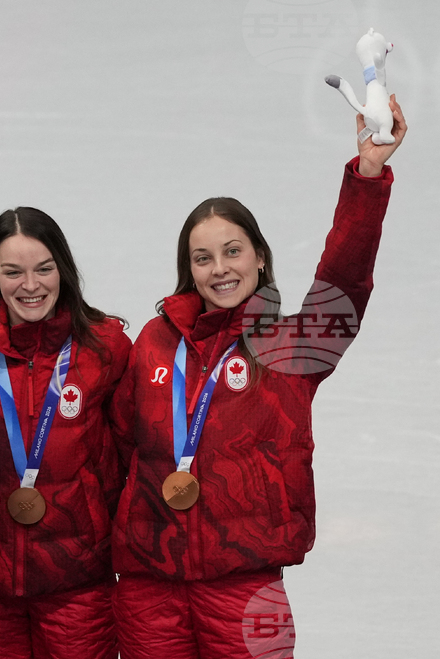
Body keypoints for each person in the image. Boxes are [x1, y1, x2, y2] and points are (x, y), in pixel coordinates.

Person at [108, 98, 407, 658]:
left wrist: (367, 176)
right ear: (188, 268)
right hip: (149, 587)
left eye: (232, 252)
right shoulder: (153, 340)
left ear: (261, 258)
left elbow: (345, 277)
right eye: (202, 258)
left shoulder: (293, 345)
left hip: (245, 584)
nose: (219, 268)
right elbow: (113, 446)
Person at [0, 207, 132, 658]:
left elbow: (134, 451)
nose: (30, 286)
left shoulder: (105, 345)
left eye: (44, 269)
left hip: (79, 577)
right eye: (13, 272)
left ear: (63, 269)